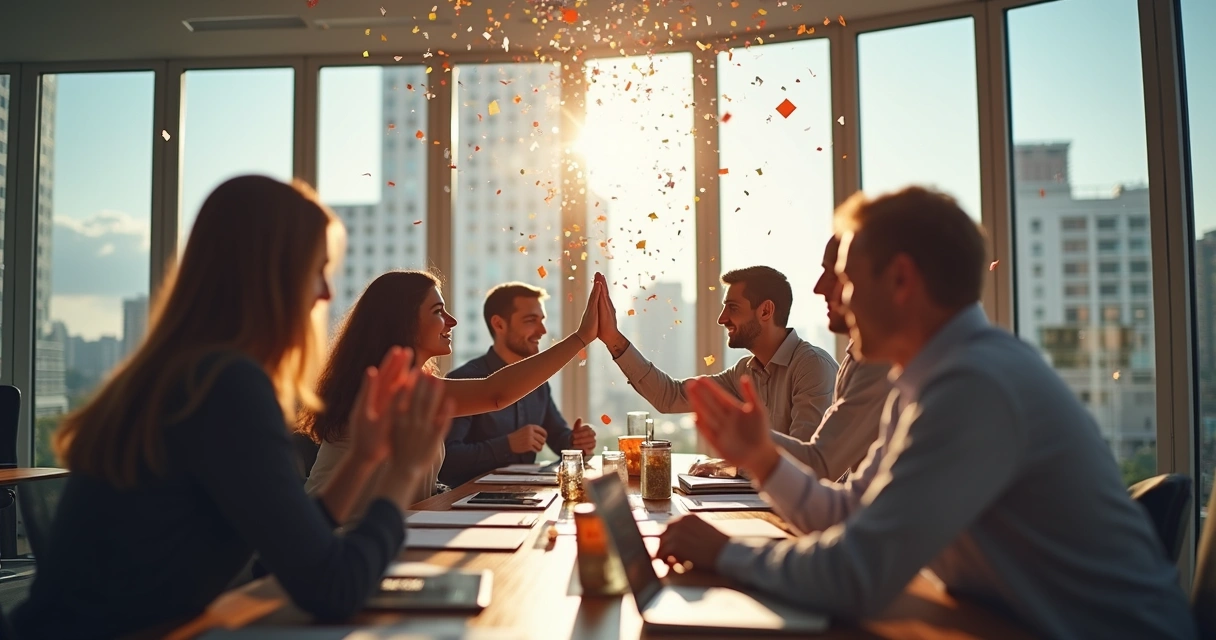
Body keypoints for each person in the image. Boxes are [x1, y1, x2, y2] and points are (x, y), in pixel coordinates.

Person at [656, 187, 1195, 639]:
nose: (828, 291)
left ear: (900, 280)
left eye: (843, 275)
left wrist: (726, 555)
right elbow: (850, 515)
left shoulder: (976, 386)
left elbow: (857, 574)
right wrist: (762, 458)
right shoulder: (932, 380)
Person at [12, 176, 453, 639]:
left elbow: (292, 551)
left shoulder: (185, 371)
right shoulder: (224, 386)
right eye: (317, 269)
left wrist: (365, 456)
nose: (325, 293)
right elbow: (333, 587)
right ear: (270, 274)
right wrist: (403, 469)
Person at [302, 271, 605, 513]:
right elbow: (496, 394)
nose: (453, 321)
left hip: (390, 533)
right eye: (438, 311)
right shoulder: (388, 387)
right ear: (404, 323)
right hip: (336, 541)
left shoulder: (414, 384)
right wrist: (581, 337)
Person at [696, 239, 892, 481]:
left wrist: (750, 445)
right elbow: (845, 495)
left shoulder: (830, 365)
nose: (818, 288)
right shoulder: (859, 360)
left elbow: (816, 466)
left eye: (838, 274)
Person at [596, 266, 838, 441]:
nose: (722, 319)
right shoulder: (744, 372)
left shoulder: (812, 367)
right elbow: (670, 397)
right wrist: (612, 338)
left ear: (765, 311)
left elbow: (805, 462)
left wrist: (732, 468)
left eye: (732, 308)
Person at [439, 283, 596, 487]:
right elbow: (447, 460)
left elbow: (559, 438)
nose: (542, 331)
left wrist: (577, 442)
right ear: (499, 324)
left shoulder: (538, 384)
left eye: (542, 321)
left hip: (523, 497)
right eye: (531, 321)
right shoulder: (463, 380)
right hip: (468, 504)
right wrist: (508, 445)